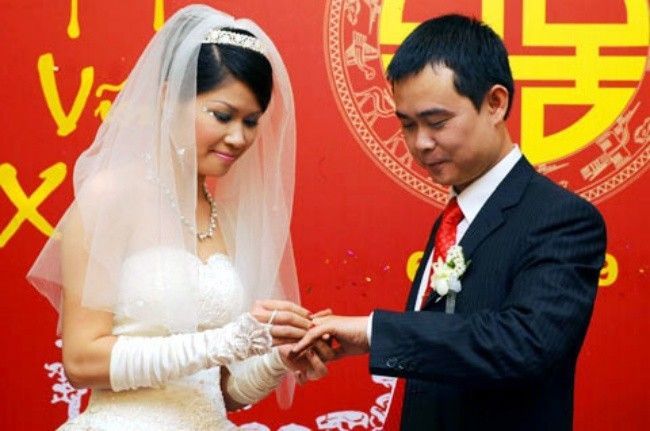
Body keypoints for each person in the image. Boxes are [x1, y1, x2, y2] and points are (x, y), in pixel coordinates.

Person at [293, 14, 607, 430]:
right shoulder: (454, 219)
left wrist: (374, 332)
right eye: (407, 125)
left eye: (437, 122)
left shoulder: (561, 218)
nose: (420, 143)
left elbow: (525, 344)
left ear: (495, 103)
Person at [28, 5, 332, 430]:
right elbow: (81, 361)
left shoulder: (224, 220)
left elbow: (219, 390)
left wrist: (276, 359)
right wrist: (226, 340)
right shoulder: (110, 197)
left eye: (251, 121)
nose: (238, 137)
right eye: (222, 116)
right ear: (168, 98)